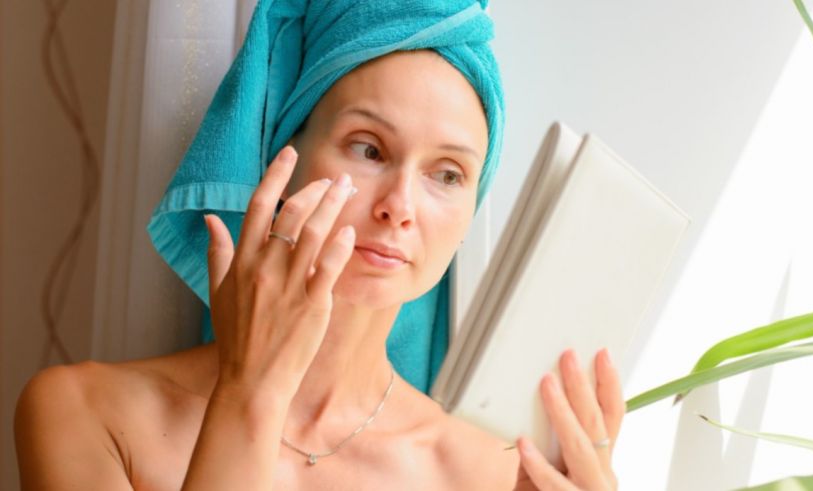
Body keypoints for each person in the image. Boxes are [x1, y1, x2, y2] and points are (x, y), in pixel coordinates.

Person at [15, 3, 625, 490]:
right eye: (368, 148)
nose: (399, 207)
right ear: (284, 158)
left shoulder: (487, 475)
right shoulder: (84, 414)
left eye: (447, 174)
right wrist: (251, 391)